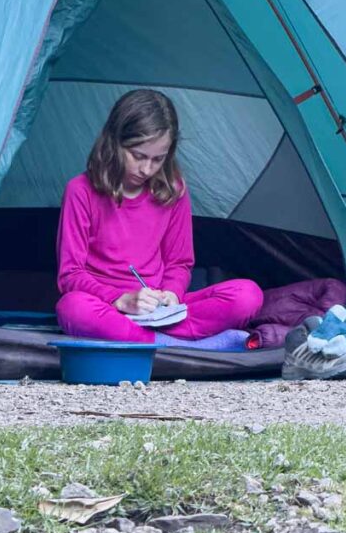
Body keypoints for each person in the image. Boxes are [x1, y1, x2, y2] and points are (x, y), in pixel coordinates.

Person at [56, 89, 263, 343]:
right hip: (108, 307)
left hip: (158, 311)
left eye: (158, 159)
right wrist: (120, 299)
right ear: (114, 142)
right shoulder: (80, 191)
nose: (146, 169)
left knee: (247, 295)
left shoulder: (174, 190)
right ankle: (170, 343)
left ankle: (142, 340)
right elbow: (71, 275)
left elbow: (179, 263)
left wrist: (171, 294)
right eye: (138, 156)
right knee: (72, 308)